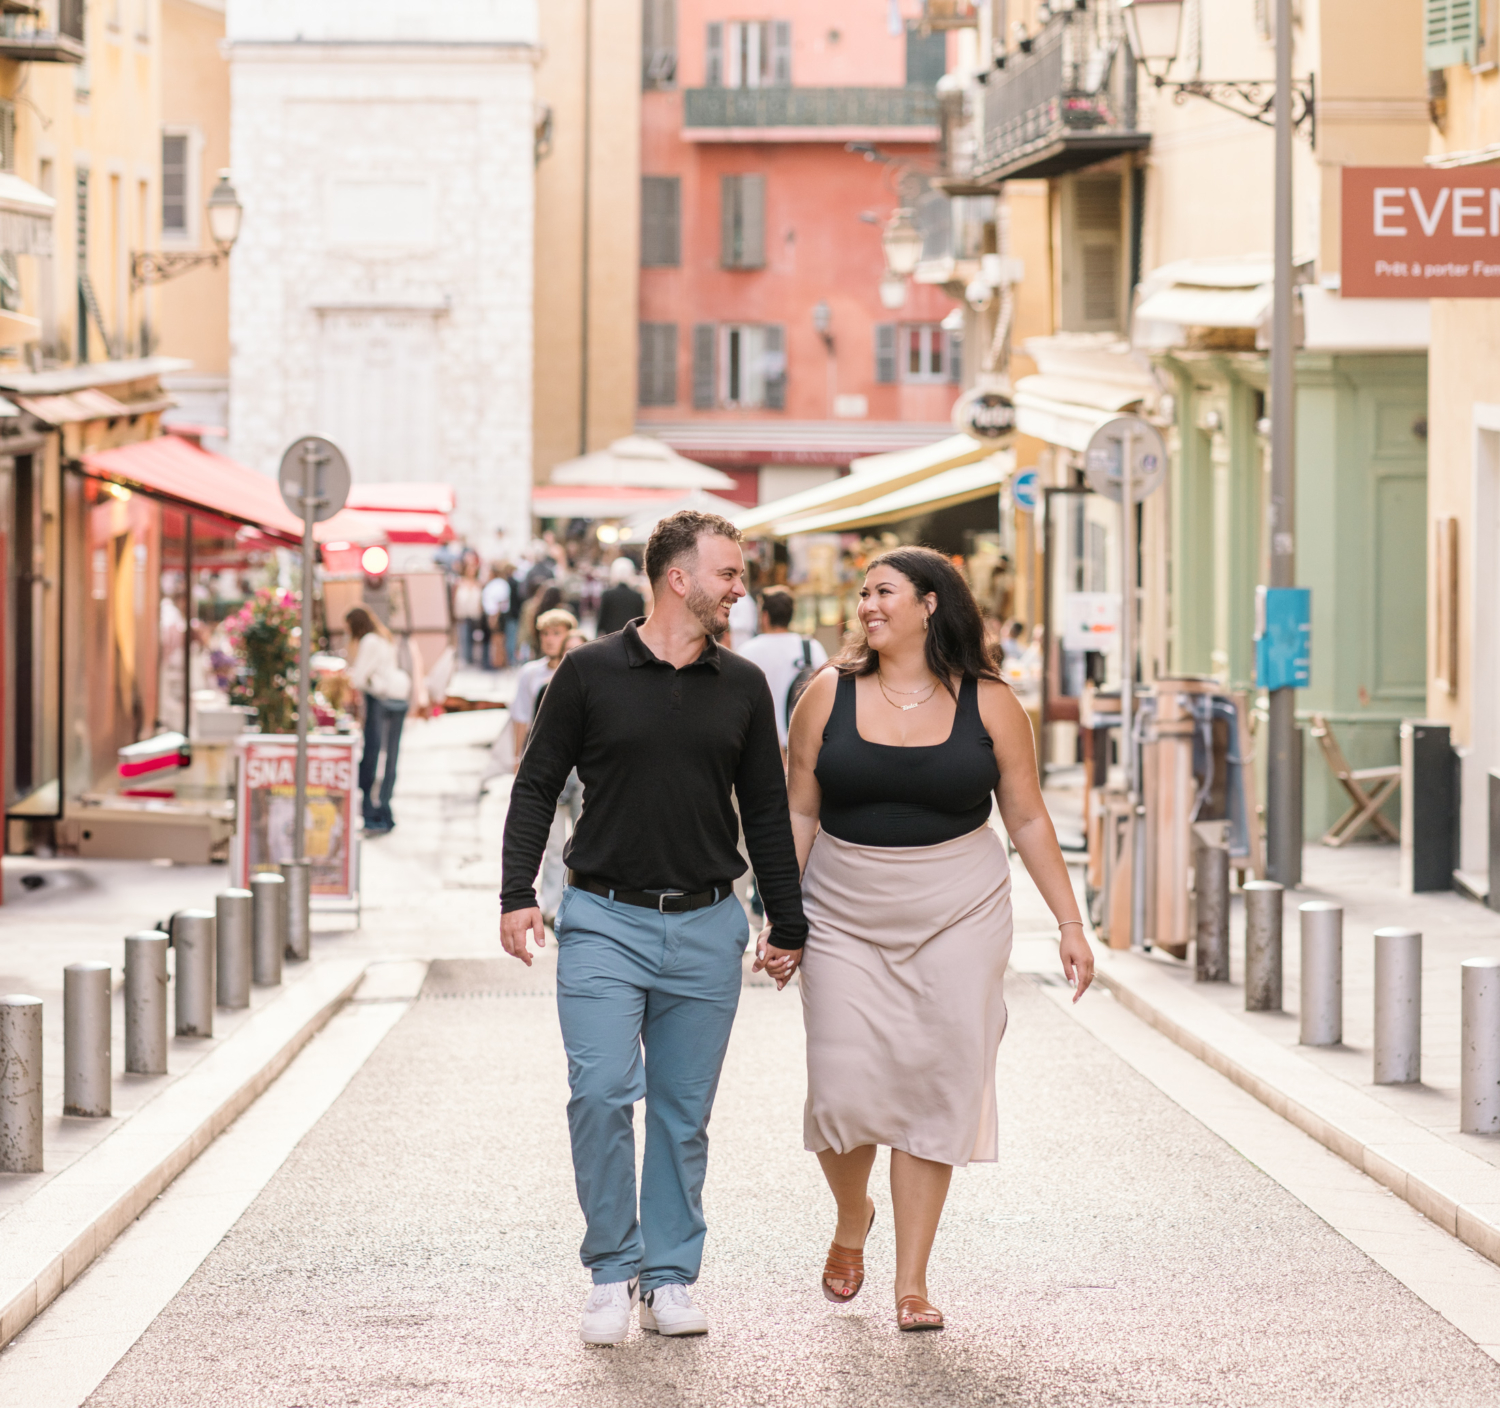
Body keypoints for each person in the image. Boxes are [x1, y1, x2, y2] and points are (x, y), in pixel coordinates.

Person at [500, 509, 806, 1347]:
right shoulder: (590, 672)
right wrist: (515, 891)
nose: (740, 588)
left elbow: (768, 811)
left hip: (709, 923)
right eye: (729, 574)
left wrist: (787, 918)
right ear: (680, 577)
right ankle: (610, 1269)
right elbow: (535, 786)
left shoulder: (742, 683)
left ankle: (668, 1274)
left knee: (681, 1114)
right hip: (601, 918)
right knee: (600, 1095)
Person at [783, 546, 1093, 1332]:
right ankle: (853, 1221)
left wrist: (1069, 922)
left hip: (960, 907)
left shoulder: (991, 702)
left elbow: (1025, 817)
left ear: (930, 603)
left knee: (935, 1083)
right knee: (843, 1087)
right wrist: (779, 917)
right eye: (862, 594)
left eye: (882, 591)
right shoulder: (826, 694)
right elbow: (799, 812)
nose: (865, 606)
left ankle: (912, 1283)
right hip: (845, 909)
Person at [737, 586, 828, 759]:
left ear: (765, 616)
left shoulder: (746, 651)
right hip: (804, 744)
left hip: (758, 746)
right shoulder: (810, 647)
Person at [345, 607, 412, 835]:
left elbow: (359, 677)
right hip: (398, 700)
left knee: (374, 754)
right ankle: (385, 806)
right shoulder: (384, 639)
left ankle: (372, 809)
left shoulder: (369, 641)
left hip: (380, 701)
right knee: (390, 755)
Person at [595, 555, 646, 636]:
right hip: (631, 638)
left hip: (612, 638)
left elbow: (602, 619)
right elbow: (641, 621)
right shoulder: (637, 596)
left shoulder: (607, 595)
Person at [453, 555, 486, 667]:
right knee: (464, 636)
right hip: (463, 614)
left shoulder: (478, 583)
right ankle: (465, 659)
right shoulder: (460, 582)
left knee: (474, 638)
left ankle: (473, 659)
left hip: (475, 614)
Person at [480, 568, 511, 670]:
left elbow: (499, 601)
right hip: (494, 614)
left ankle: (499, 662)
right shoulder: (496, 583)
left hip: (497, 615)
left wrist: (495, 618)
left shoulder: (499, 584)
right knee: (496, 639)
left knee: (498, 639)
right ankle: (497, 662)